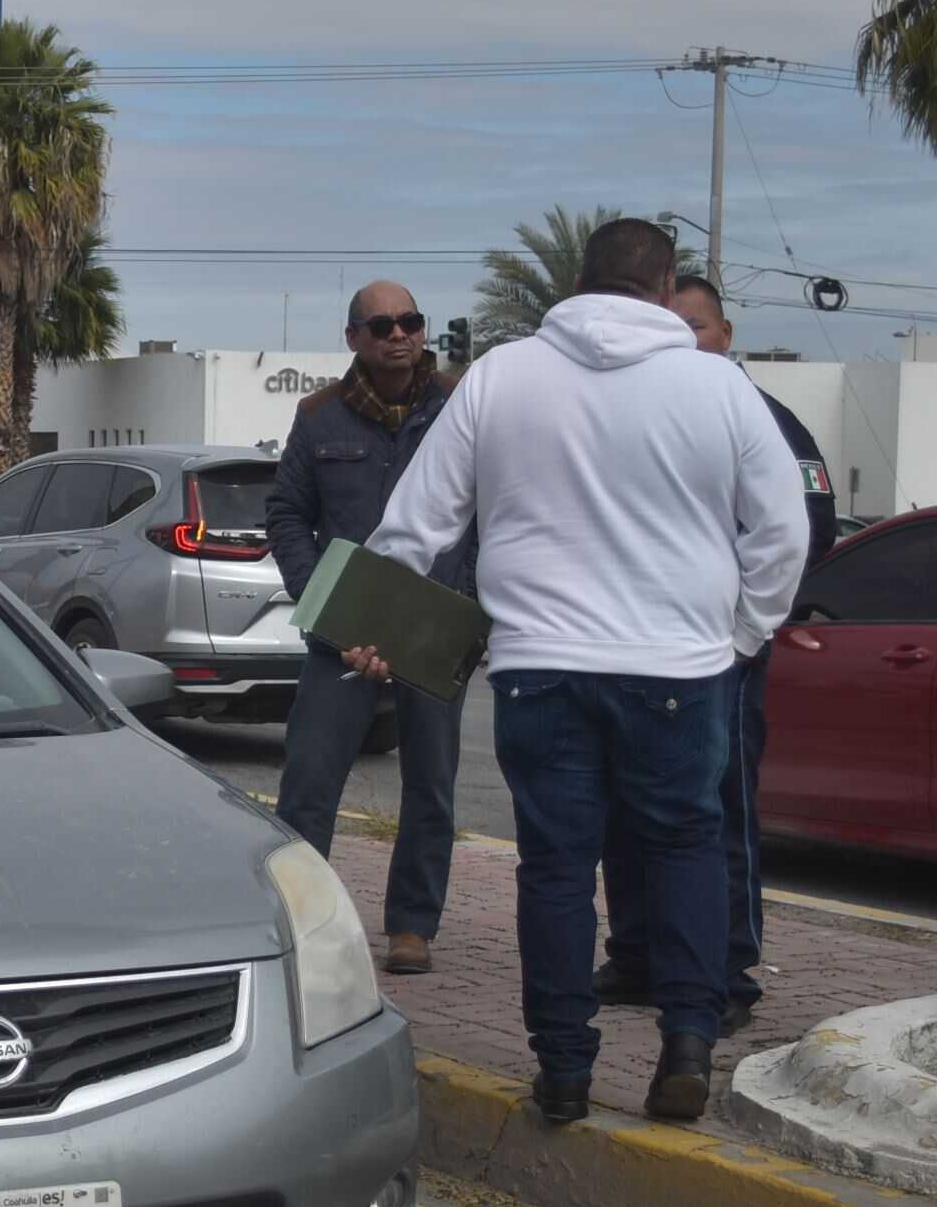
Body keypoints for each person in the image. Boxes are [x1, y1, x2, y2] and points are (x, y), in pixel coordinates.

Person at [341, 219, 806, 1124]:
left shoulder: (501, 379)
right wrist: (740, 634)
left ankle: (562, 1069)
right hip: (680, 667)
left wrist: (372, 625)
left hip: (539, 668)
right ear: (665, 288)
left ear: (579, 283)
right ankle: (685, 1044)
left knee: (555, 869)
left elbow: (416, 520)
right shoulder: (719, 387)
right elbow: (782, 533)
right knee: (684, 848)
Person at [596, 275, 841, 1036]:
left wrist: (741, 626)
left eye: (696, 327)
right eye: (668, 327)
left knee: (718, 807)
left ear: (727, 335)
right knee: (625, 807)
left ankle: (729, 968)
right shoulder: (641, 412)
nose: (683, 341)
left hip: (724, 654)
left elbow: (810, 531)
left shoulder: (765, 418)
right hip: (634, 648)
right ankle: (638, 951)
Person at [262, 281, 473, 977]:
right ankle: (299, 924)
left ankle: (413, 927)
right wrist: (325, 607)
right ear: (353, 337)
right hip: (343, 632)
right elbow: (287, 514)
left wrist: (467, 603)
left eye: (410, 321)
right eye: (381, 325)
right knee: (310, 782)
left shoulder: (460, 408)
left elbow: (493, 513)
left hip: (433, 623)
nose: (398, 335)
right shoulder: (318, 418)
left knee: (432, 784)